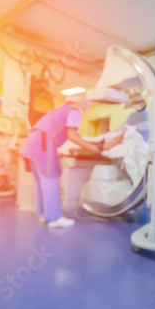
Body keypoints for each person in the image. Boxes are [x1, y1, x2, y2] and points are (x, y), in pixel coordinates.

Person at [21, 95, 102, 228]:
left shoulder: (59, 111)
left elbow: (74, 135)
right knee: (51, 179)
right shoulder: (75, 111)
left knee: (40, 180)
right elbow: (72, 135)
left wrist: (90, 142)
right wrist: (92, 149)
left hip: (32, 144)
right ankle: (55, 218)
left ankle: (44, 214)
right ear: (81, 106)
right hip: (44, 144)